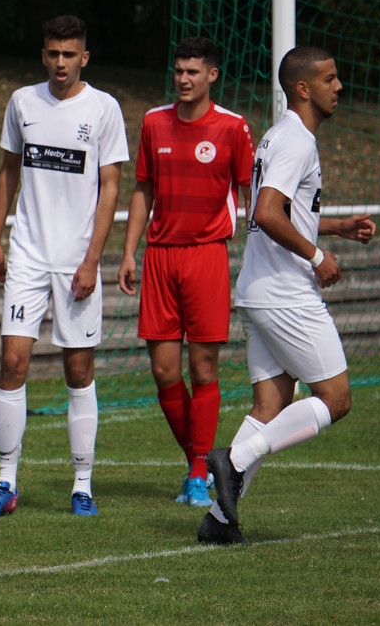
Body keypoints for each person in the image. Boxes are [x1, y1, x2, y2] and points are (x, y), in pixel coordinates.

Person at [199, 46, 376, 544]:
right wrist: (319, 258)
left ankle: (217, 522)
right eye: (330, 79)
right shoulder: (296, 140)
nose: (339, 87)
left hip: (260, 290)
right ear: (303, 88)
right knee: (336, 399)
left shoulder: (281, 135)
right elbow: (267, 212)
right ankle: (232, 460)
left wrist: (337, 228)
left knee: (268, 409)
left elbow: (288, 210)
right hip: (285, 294)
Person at [0, 15, 128, 518]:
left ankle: (82, 484)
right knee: (12, 363)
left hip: (76, 261)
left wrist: (92, 260)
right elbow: (8, 171)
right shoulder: (22, 102)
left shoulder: (104, 108)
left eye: (70, 54)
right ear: (43, 55)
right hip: (27, 256)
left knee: (78, 369)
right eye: (52, 53)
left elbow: (110, 186)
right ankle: (5, 482)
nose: (60, 63)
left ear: (84, 57)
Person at [118, 37, 255, 508]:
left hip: (206, 256)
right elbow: (142, 189)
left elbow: (251, 196)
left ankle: (198, 472)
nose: (183, 78)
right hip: (159, 256)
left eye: (193, 71)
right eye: (178, 70)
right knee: (163, 371)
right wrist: (129, 251)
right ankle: (199, 462)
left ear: (212, 75)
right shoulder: (155, 123)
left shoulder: (234, 128)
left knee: (203, 368)